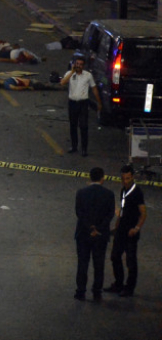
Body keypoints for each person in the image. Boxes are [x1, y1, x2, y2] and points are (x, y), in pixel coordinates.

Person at [74, 166, 114, 301]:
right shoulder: (109, 194)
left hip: (83, 234)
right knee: (99, 264)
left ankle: (80, 291)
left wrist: (90, 227)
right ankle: (97, 292)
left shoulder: (81, 193)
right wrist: (99, 229)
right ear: (103, 178)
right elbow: (110, 215)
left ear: (90, 178)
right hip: (100, 236)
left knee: (83, 264)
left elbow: (79, 212)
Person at [106, 164, 146, 297]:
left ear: (133, 177)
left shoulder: (137, 192)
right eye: (123, 178)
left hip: (131, 232)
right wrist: (116, 226)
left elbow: (143, 213)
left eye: (128, 178)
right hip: (121, 230)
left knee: (131, 261)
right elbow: (122, 211)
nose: (125, 181)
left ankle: (129, 288)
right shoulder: (123, 190)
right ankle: (118, 284)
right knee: (115, 256)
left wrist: (136, 228)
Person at [60, 57, 102, 156]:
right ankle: (74, 146)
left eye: (80, 64)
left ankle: (84, 149)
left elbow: (94, 88)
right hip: (72, 103)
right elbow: (62, 83)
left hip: (83, 103)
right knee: (73, 126)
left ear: (83, 66)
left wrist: (99, 102)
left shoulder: (88, 75)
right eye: (77, 64)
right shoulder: (69, 74)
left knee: (83, 126)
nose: (78, 66)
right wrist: (72, 72)